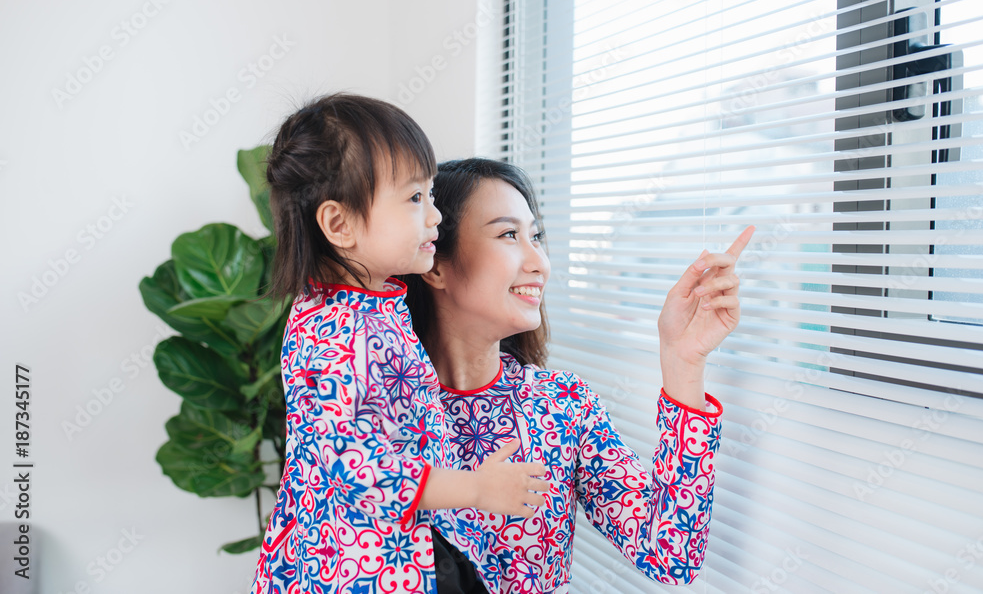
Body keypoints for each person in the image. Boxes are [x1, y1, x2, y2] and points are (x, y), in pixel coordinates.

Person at [402, 157, 753, 593]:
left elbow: (671, 556)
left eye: (536, 237)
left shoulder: (561, 405)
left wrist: (682, 362)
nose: (540, 263)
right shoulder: (385, 410)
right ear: (436, 265)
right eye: (509, 235)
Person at [251, 96, 548, 594]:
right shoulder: (333, 332)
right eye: (415, 199)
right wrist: (472, 488)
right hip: (353, 569)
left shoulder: (370, 308)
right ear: (339, 225)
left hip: (397, 554)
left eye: (431, 195)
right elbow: (347, 462)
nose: (435, 218)